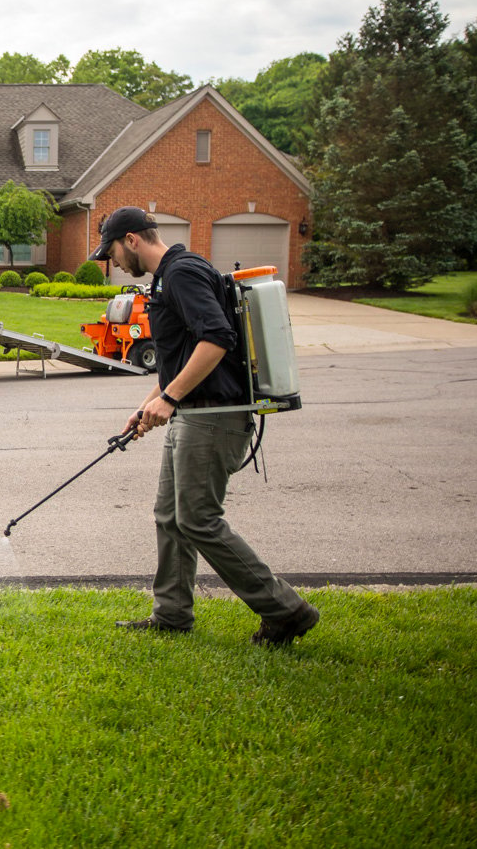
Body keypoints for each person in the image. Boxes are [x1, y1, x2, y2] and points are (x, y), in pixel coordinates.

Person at [91, 206, 320, 647]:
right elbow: (181, 355)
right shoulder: (168, 277)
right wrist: (150, 404)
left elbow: (217, 338)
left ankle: (286, 610)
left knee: (198, 519)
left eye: (114, 252)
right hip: (192, 414)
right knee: (171, 516)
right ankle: (172, 614)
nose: (114, 262)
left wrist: (170, 398)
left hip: (213, 417)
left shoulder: (182, 272)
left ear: (133, 239)